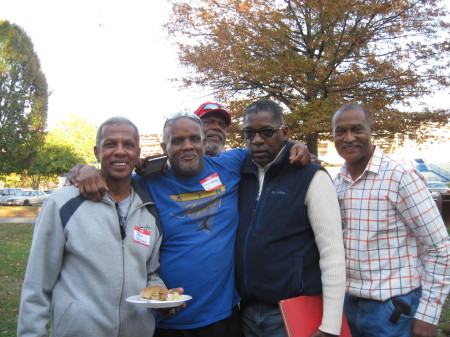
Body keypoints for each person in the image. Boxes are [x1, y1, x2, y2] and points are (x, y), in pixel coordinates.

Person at [17, 117, 168, 337]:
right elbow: (37, 285)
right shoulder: (63, 203)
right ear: (97, 152)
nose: (119, 151)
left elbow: (150, 272)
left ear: (137, 154)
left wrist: (160, 294)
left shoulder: (149, 210)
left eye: (128, 145)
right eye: (110, 144)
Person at [332, 102, 450, 337]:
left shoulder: (400, 177)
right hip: (348, 305)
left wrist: (427, 316)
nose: (348, 138)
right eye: (340, 131)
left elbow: (439, 248)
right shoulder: (339, 181)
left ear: (370, 129)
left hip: (392, 309)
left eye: (357, 129)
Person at [235, 99, 346, 337]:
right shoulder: (239, 173)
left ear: (284, 132)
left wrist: (330, 326)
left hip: (292, 314)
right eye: (249, 133)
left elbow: (333, 252)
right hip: (247, 313)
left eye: (266, 132)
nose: (257, 140)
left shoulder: (310, 176)